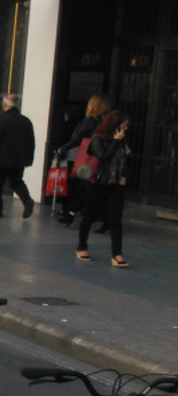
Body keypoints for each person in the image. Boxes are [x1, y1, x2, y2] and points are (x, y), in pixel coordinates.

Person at [76, 111, 133, 267]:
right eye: (124, 125)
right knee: (90, 216)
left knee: (115, 220)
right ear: (115, 125)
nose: (126, 128)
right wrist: (115, 141)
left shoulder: (122, 141)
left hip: (115, 186)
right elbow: (104, 158)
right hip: (97, 184)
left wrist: (124, 176)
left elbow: (125, 160)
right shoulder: (97, 139)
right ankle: (82, 246)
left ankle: (117, 254)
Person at [0, 93, 37, 218]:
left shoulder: (3, 121)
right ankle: (27, 200)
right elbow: (31, 142)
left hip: (1, 160)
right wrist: (28, 159)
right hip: (18, 160)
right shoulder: (25, 121)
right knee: (16, 181)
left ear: (5, 104)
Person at [54, 95, 107, 226]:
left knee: (84, 187)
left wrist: (63, 148)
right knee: (89, 187)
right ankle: (72, 214)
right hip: (103, 157)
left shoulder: (90, 121)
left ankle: (73, 213)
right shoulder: (106, 121)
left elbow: (78, 138)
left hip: (89, 158)